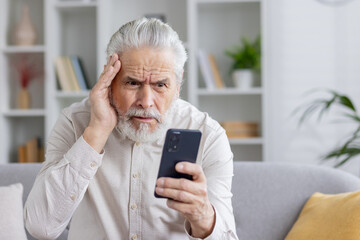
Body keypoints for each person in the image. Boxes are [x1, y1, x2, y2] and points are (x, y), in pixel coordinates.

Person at [24, 18, 238, 240]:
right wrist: (97, 130)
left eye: (160, 85)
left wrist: (203, 215)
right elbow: (41, 227)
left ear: (177, 84)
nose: (146, 101)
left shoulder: (209, 135)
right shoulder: (74, 122)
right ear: (109, 77)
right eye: (133, 83)